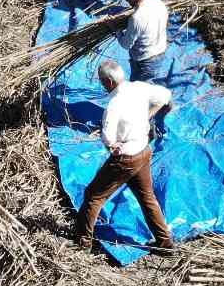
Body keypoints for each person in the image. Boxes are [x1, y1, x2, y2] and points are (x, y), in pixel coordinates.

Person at [75, 59, 176, 255]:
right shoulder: (139, 88)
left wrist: (112, 145)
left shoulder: (114, 104)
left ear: (109, 82)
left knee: (93, 196)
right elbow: (165, 95)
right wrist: (149, 114)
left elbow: (108, 137)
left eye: (102, 81)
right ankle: (165, 243)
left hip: (126, 159)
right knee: (147, 198)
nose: (102, 85)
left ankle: (83, 242)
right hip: (143, 150)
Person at [117, 0, 169, 84]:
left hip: (145, 62)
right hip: (160, 53)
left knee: (139, 90)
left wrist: (117, 30)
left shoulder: (136, 18)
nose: (127, 1)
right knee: (150, 86)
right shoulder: (158, 2)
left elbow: (126, 45)